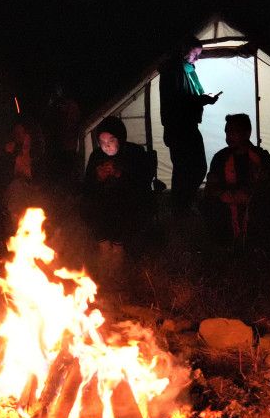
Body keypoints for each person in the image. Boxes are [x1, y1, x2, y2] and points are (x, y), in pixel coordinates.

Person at [81, 116, 153, 266]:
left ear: (120, 138)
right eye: (102, 142)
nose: (106, 146)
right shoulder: (96, 156)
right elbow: (88, 187)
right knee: (92, 208)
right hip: (104, 206)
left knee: (123, 210)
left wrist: (119, 174)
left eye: (111, 141)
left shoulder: (134, 153)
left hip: (129, 204)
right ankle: (104, 255)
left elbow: (143, 183)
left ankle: (119, 258)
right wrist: (98, 177)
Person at [159, 38, 221, 211]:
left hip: (185, 127)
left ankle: (182, 205)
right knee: (191, 168)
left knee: (186, 169)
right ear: (184, 51)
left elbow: (187, 97)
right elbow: (178, 101)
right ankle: (181, 206)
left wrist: (202, 98)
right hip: (179, 128)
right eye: (195, 54)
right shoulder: (174, 71)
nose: (197, 59)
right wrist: (203, 100)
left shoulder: (185, 70)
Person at [200, 114, 270, 242]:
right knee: (208, 205)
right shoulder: (220, 158)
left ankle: (257, 245)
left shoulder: (261, 157)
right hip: (226, 212)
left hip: (254, 210)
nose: (228, 138)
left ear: (247, 133)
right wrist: (227, 195)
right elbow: (210, 189)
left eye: (233, 132)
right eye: (226, 133)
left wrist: (249, 195)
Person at [1, 116, 47, 227]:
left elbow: (41, 182)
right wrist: (9, 154)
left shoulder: (38, 158)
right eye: (16, 134)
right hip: (17, 198)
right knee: (16, 189)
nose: (20, 138)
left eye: (22, 133)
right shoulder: (12, 156)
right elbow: (4, 181)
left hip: (34, 196)